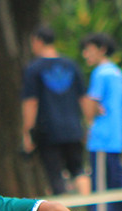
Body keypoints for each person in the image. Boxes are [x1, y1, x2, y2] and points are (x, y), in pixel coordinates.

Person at [76, 32, 122, 211]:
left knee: (101, 193)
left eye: (89, 49)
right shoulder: (117, 72)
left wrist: (90, 112)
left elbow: (90, 108)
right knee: (119, 187)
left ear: (101, 49)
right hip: (115, 138)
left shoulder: (100, 73)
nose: (85, 54)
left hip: (101, 140)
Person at [21, 25, 90, 197]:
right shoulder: (71, 65)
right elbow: (83, 98)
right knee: (78, 170)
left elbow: (31, 102)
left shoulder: (34, 69)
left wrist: (28, 131)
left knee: (55, 175)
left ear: (38, 41)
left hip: (48, 130)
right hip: (73, 127)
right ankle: (91, 208)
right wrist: (87, 124)